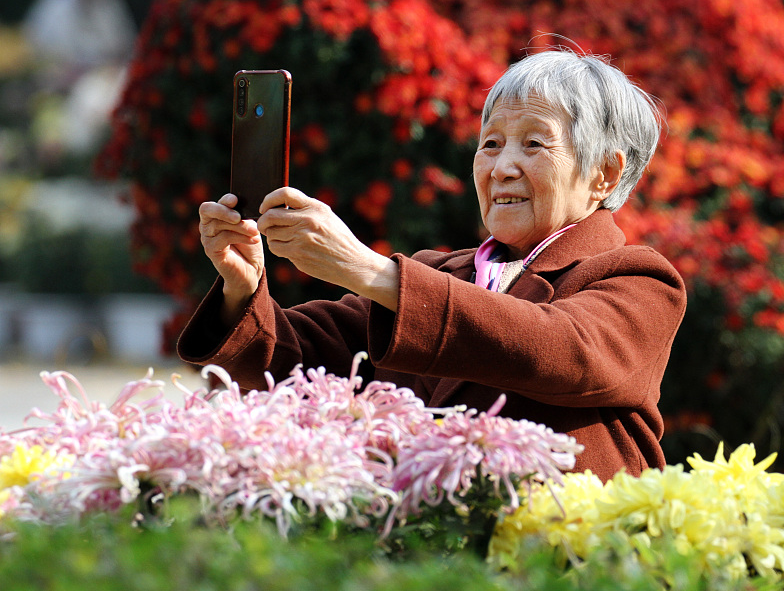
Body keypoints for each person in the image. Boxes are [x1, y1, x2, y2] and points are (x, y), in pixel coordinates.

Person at [178, 50, 687, 482]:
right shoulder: (440, 274)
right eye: (490, 143)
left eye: (533, 144)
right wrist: (241, 290)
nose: (502, 167)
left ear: (604, 173)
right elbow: (289, 363)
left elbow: (562, 350)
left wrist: (372, 272)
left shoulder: (638, 278)